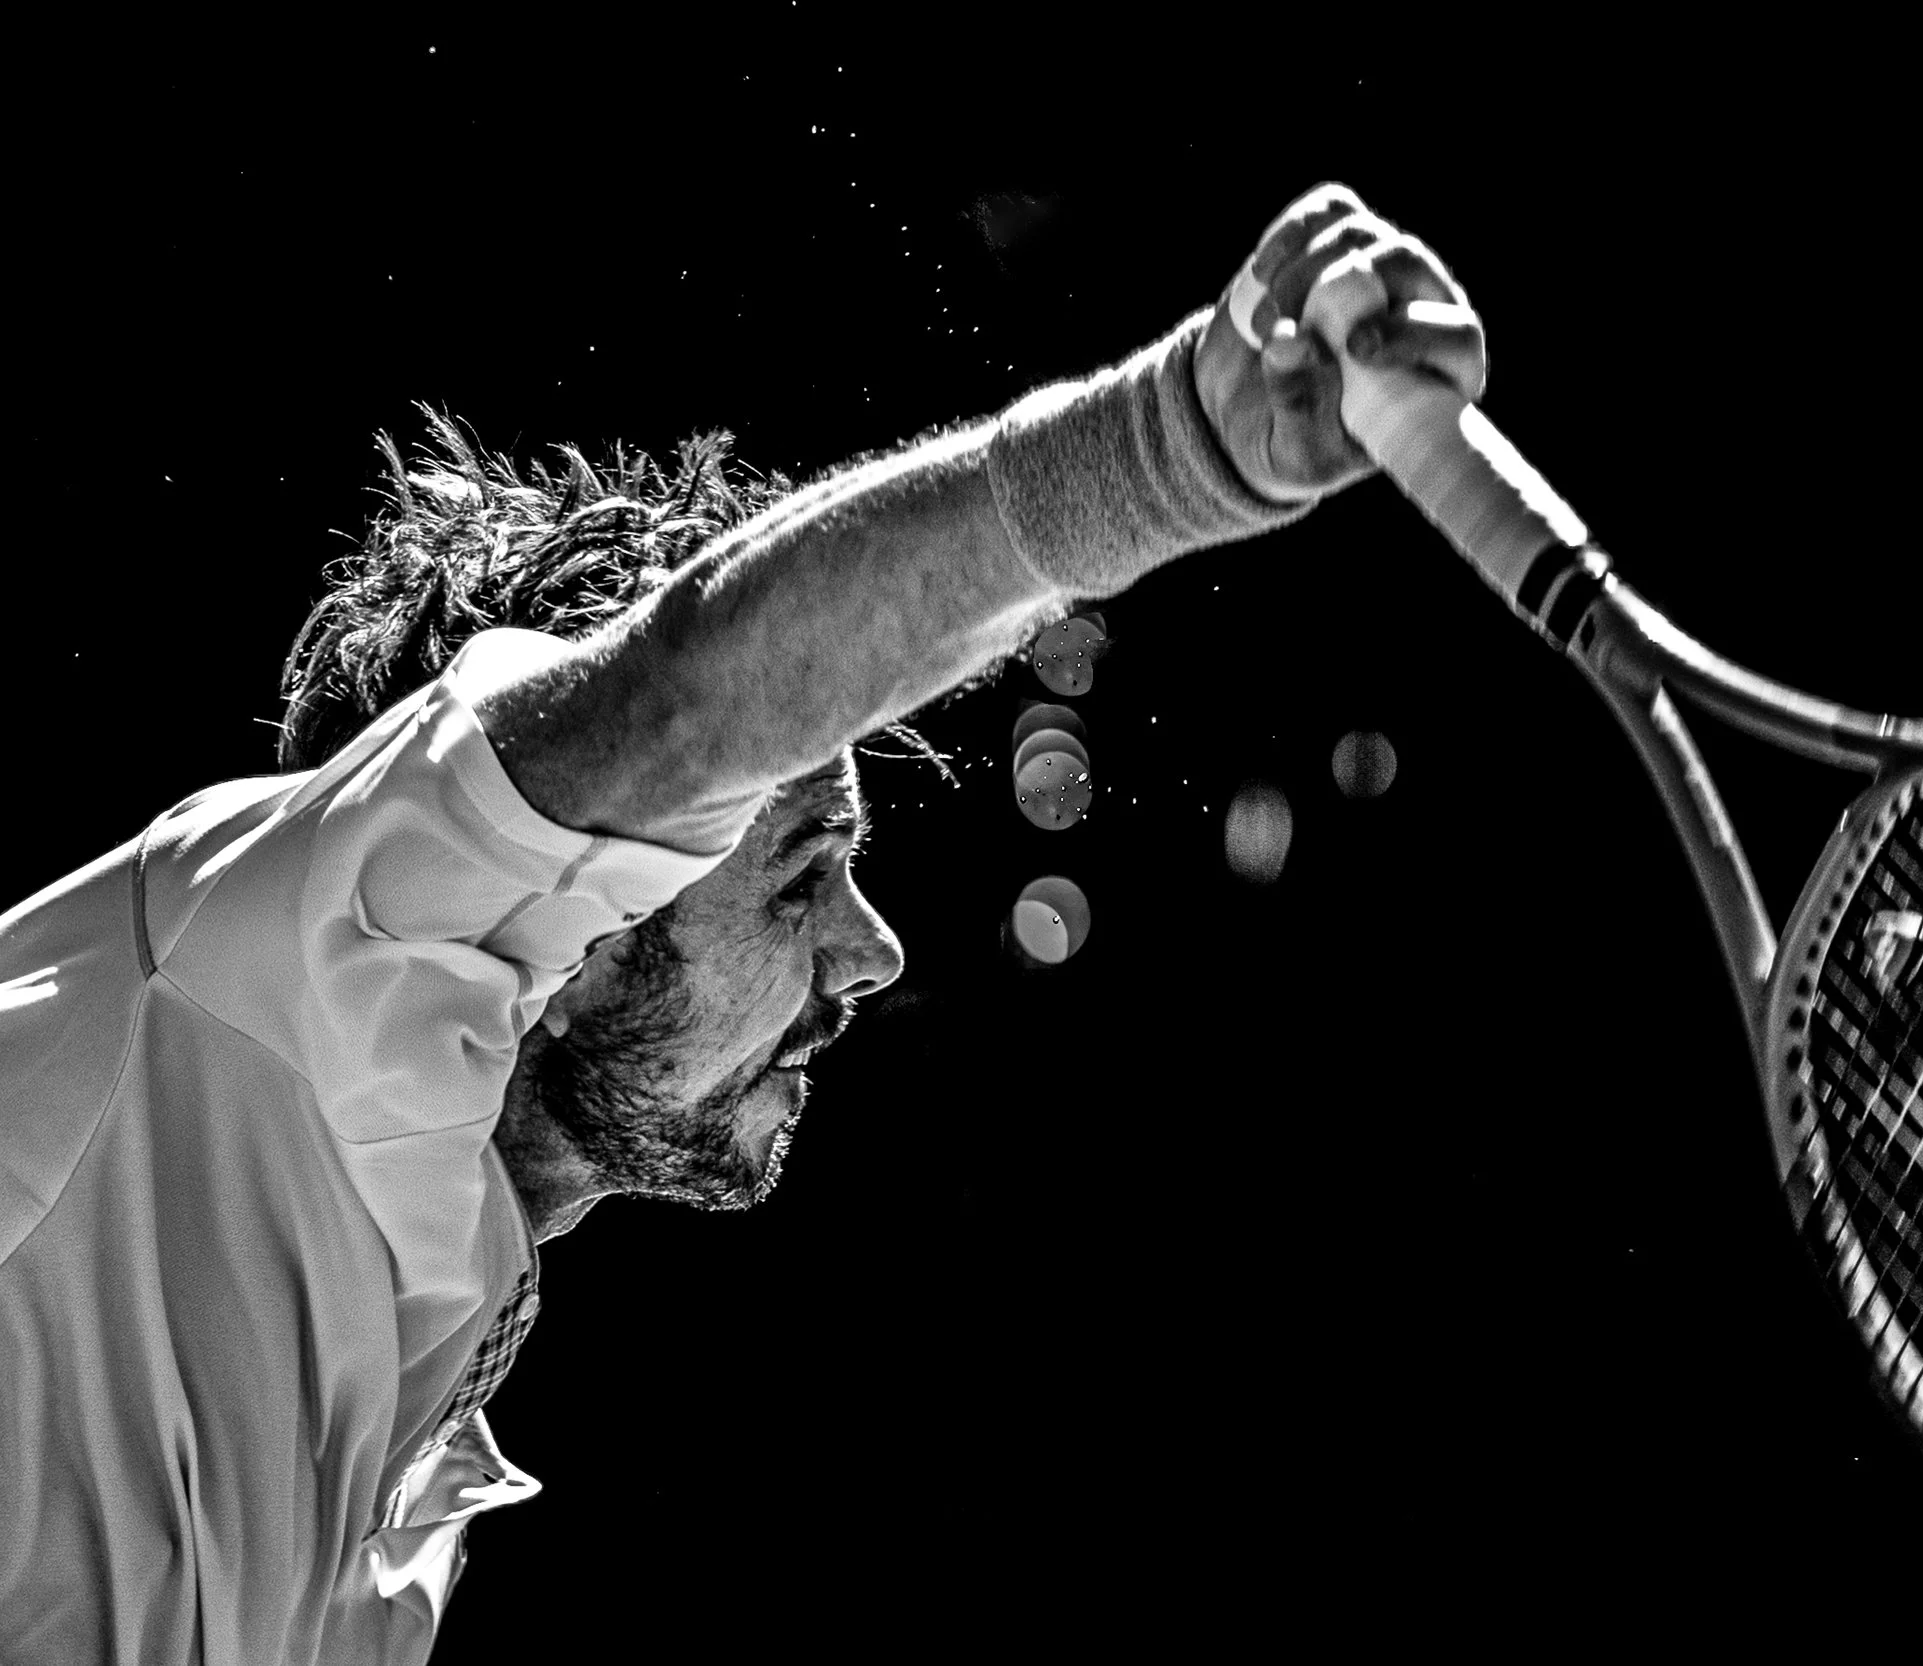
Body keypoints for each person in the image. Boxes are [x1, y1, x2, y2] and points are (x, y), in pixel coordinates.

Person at [0, 184, 1486, 1660]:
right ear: (553, 931)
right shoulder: (293, 946)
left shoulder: (408, 1470)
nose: (875, 953)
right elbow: (685, 693)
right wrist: (1177, 449)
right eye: (800, 869)